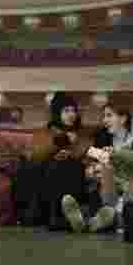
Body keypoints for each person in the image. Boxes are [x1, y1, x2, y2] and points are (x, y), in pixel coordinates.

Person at [61, 102, 133, 234]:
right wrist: (92, 168)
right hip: (109, 186)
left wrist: (117, 158)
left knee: (126, 189)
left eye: (109, 116)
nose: (104, 120)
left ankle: (91, 221)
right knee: (93, 180)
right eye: (103, 116)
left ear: (123, 118)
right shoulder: (104, 134)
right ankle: (92, 221)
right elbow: (94, 159)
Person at [27, 93, 95, 231]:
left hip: (77, 179)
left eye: (73, 110)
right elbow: (35, 156)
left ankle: (68, 216)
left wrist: (72, 155)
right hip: (48, 182)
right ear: (57, 113)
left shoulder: (82, 134)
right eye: (66, 111)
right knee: (56, 165)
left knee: (68, 165)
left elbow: (89, 156)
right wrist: (60, 143)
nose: (71, 115)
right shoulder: (46, 133)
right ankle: (61, 217)